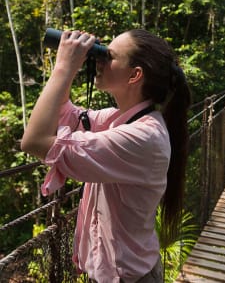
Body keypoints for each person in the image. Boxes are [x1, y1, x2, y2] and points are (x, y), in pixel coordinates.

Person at [21, 29, 191, 283]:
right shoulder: (121, 119)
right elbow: (63, 115)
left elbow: (33, 141)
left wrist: (63, 68)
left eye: (108, 56)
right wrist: (71, 65)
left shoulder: (142, 137)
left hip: (127, 277)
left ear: (135, 75)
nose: (99, 61)